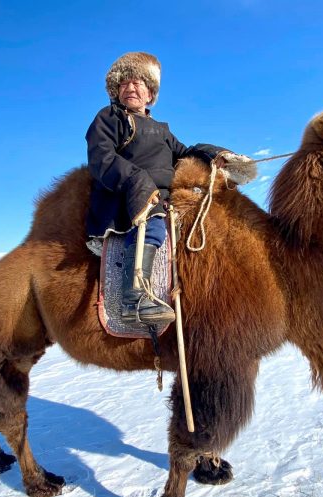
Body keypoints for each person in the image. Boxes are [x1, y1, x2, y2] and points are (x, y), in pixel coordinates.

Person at [86, 52, 237, 325]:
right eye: (124, 84)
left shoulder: (162, 130)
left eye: (138, 83)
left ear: (150, 93)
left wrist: (216, 155)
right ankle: (134, 299)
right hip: (125, 196)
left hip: (163, 197)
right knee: (152, 222)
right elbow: (101, 159)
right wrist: (138, 182)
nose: (130, 88)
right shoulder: (109, 118)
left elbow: (186, 152)